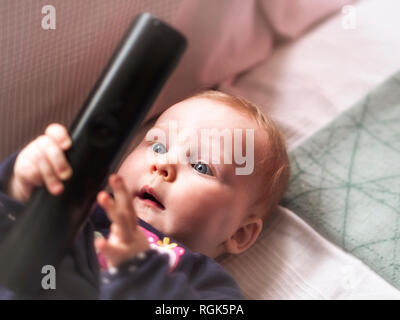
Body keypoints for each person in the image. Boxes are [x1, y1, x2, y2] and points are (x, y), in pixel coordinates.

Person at [0, 90, 290, 299]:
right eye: (158, 145)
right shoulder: (78, 206)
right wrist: (20, 186)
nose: (162, 164)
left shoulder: (204, 282)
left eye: (201, 166)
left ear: (240, 233)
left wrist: (140, 270)